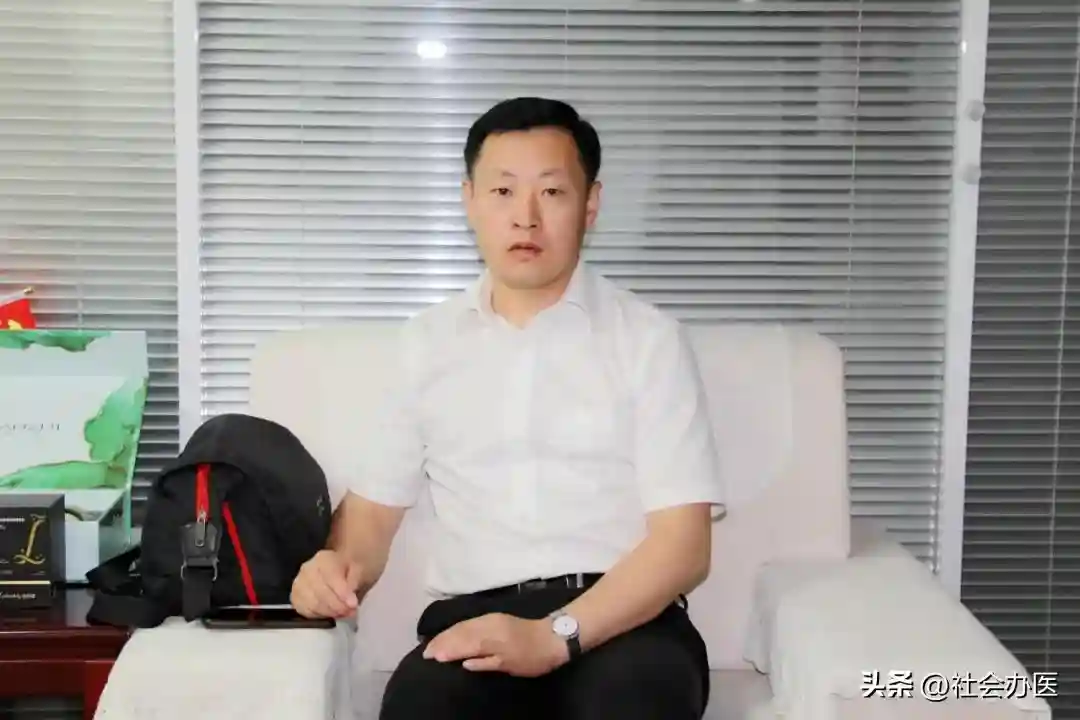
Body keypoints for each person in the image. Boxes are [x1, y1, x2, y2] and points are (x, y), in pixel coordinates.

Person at [290, 96, 726, 720]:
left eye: (551, 192)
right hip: (473, 626)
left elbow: (684, 546)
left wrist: (554, 636)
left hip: (626, 627)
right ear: (470, 201)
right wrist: (334, 567)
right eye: (502, 191)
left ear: (591, 205)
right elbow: (370, 520)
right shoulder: (424, 345)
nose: (526, 217)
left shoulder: (650, 341)